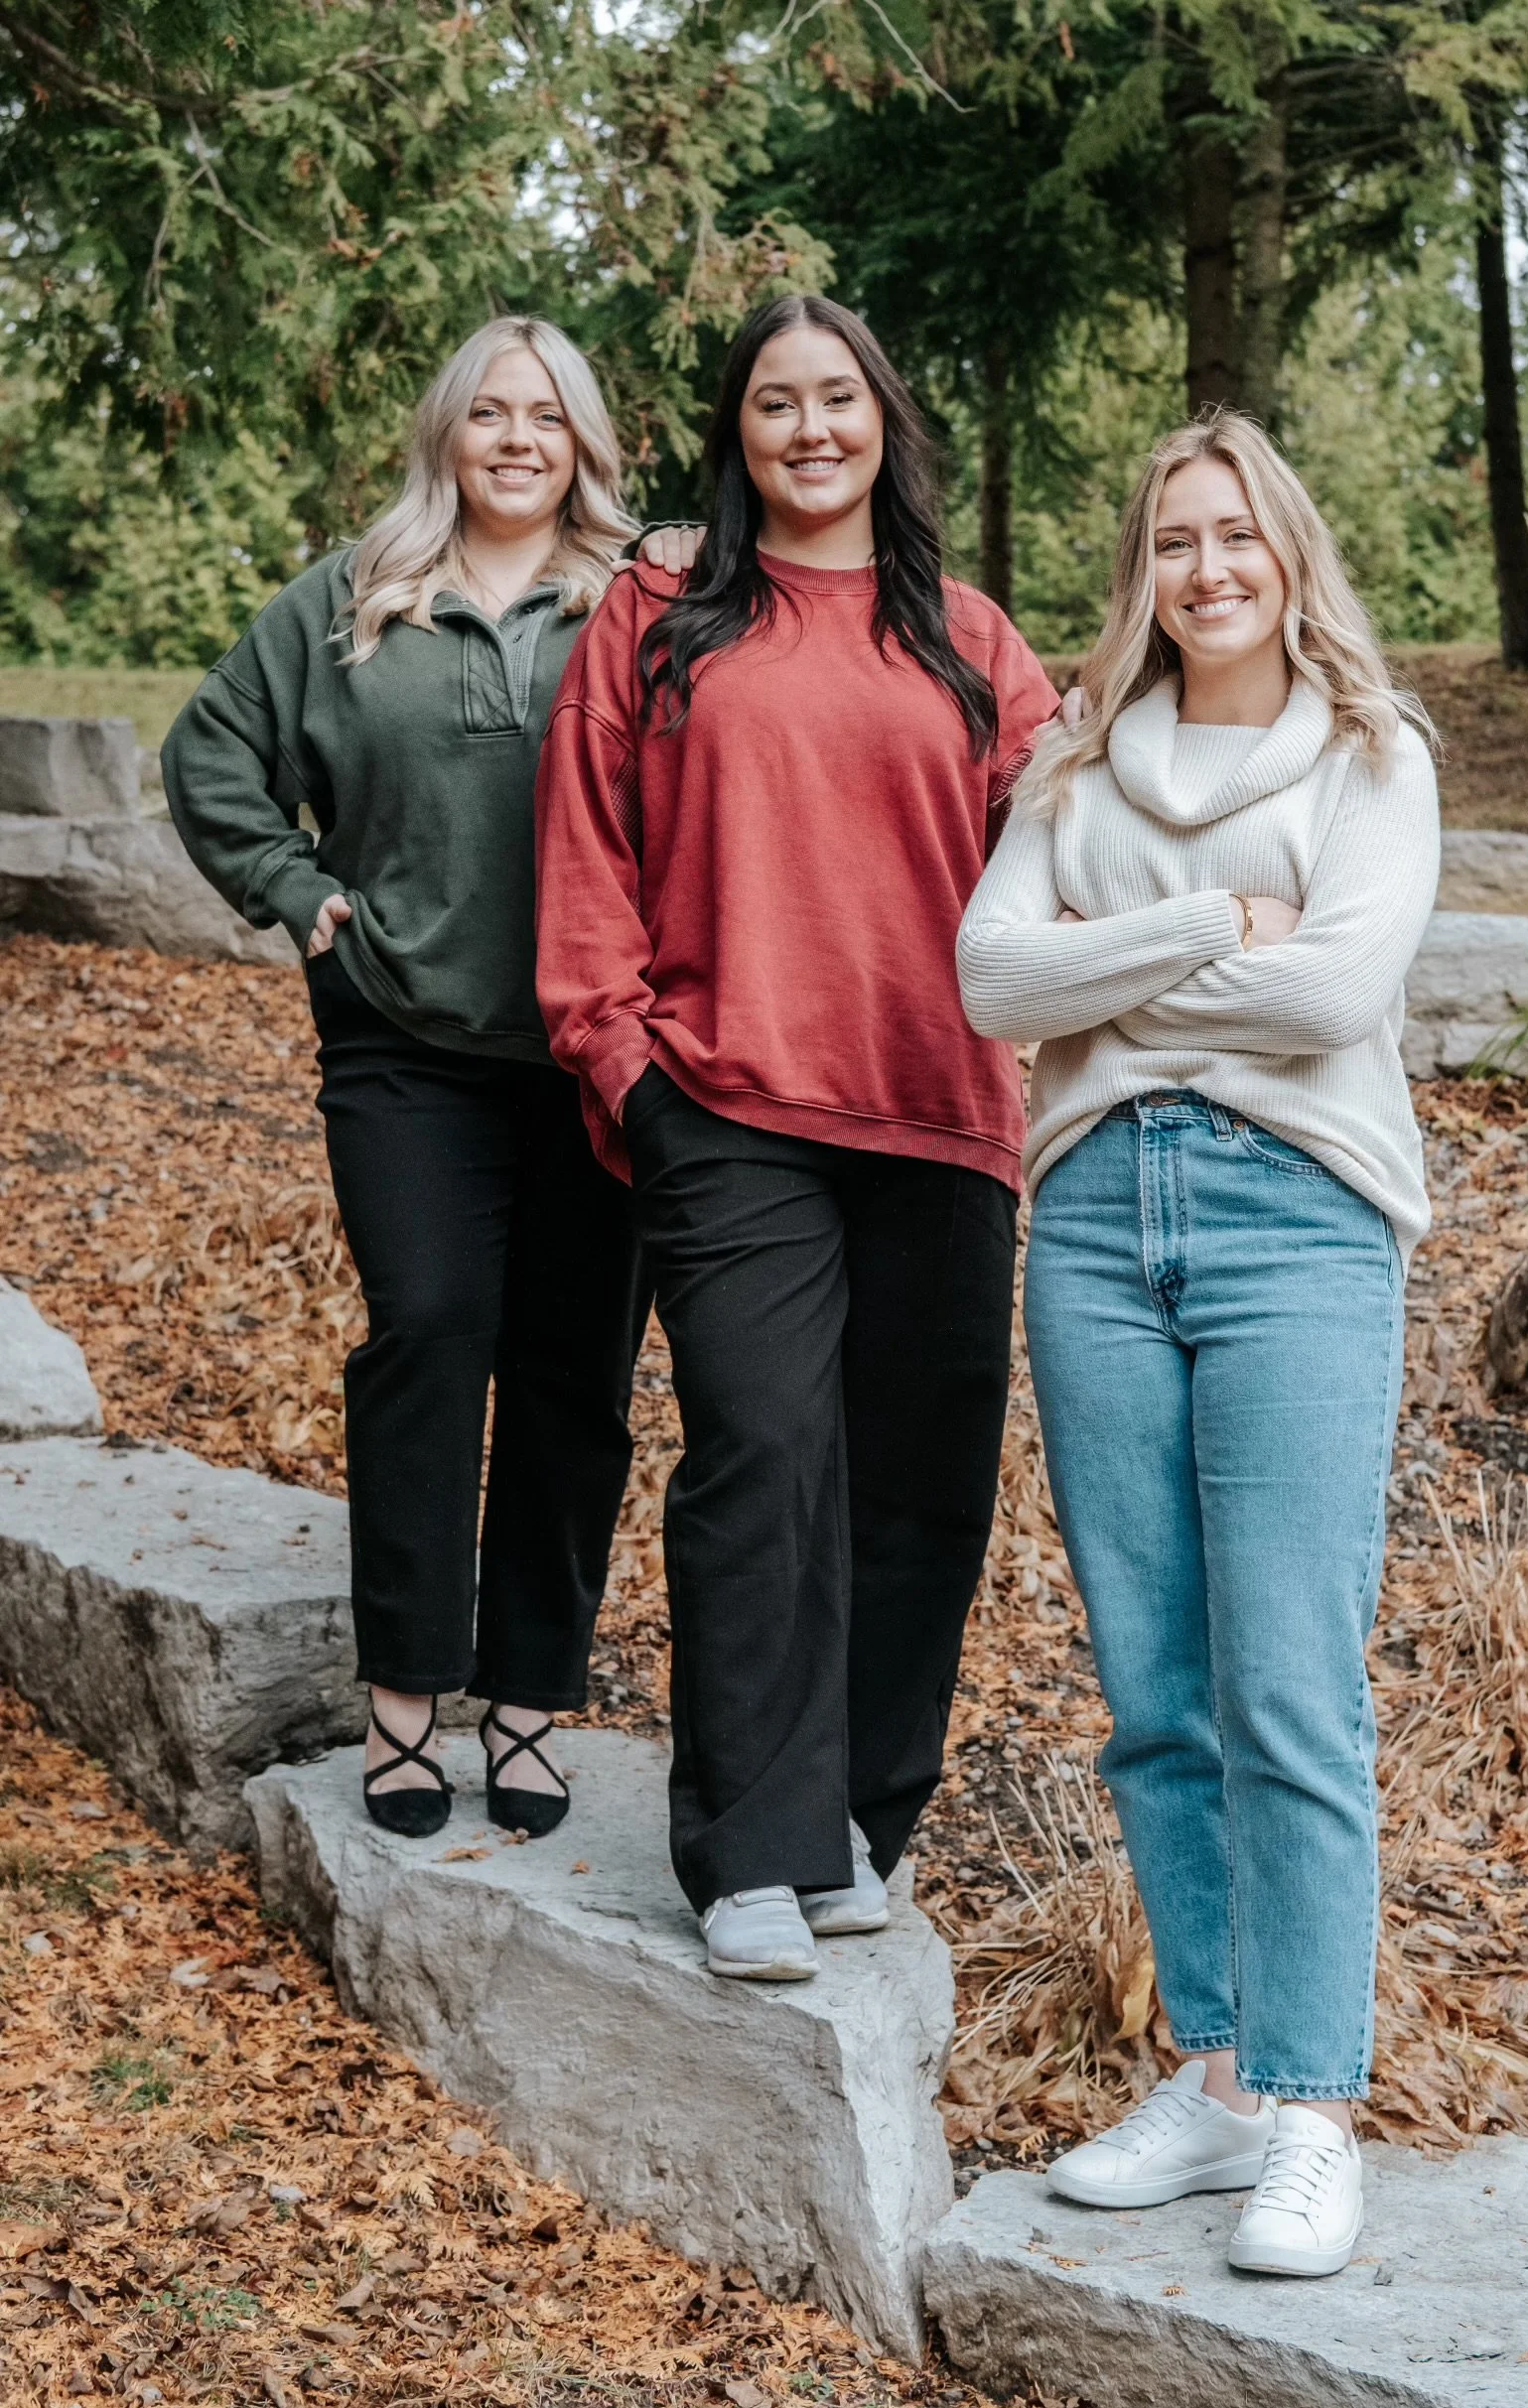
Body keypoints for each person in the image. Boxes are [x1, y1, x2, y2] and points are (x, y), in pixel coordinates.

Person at [957, 411, 1439, 2278]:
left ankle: (1315, 2103)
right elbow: (991, 981)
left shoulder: (1370, 755)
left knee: (1289, 1685)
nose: (1207, 569)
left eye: (1235, 536)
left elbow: (1340, 989)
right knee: (1154, 1682)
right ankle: (1220, 2073)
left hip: (1294, 1217)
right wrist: (1206, 921)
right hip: (1089, 1220)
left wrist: (1120, 961)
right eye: (1174, 540)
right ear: (1142, 570)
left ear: (1287, 555)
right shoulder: (1075, 760)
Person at [535, 293, 1058, 1980]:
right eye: (776, 403)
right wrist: (628, 1072)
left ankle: (851, 1821)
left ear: (885, 423)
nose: (811, 429)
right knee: (762, 1455)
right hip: (729, 1102)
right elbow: (582, 850)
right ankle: (747, 1848)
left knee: (921, 1488)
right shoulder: (659, 609)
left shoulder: (972, 639)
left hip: (941, 1112)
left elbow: (1084, 839)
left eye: (839, 399)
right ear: (736, 431)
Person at [163, 318, 697, 1842]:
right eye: (490, 415)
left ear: (583, 442)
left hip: (600, 1048)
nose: (518, 440)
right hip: (401, 1039)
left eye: (548, 417)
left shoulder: (646, 603)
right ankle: (407, 1690)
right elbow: (213, 752)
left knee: (571, 1373)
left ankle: (528, 1697)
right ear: (447, 436)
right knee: (427, 1334)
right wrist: (292, 886)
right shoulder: (355, 598)